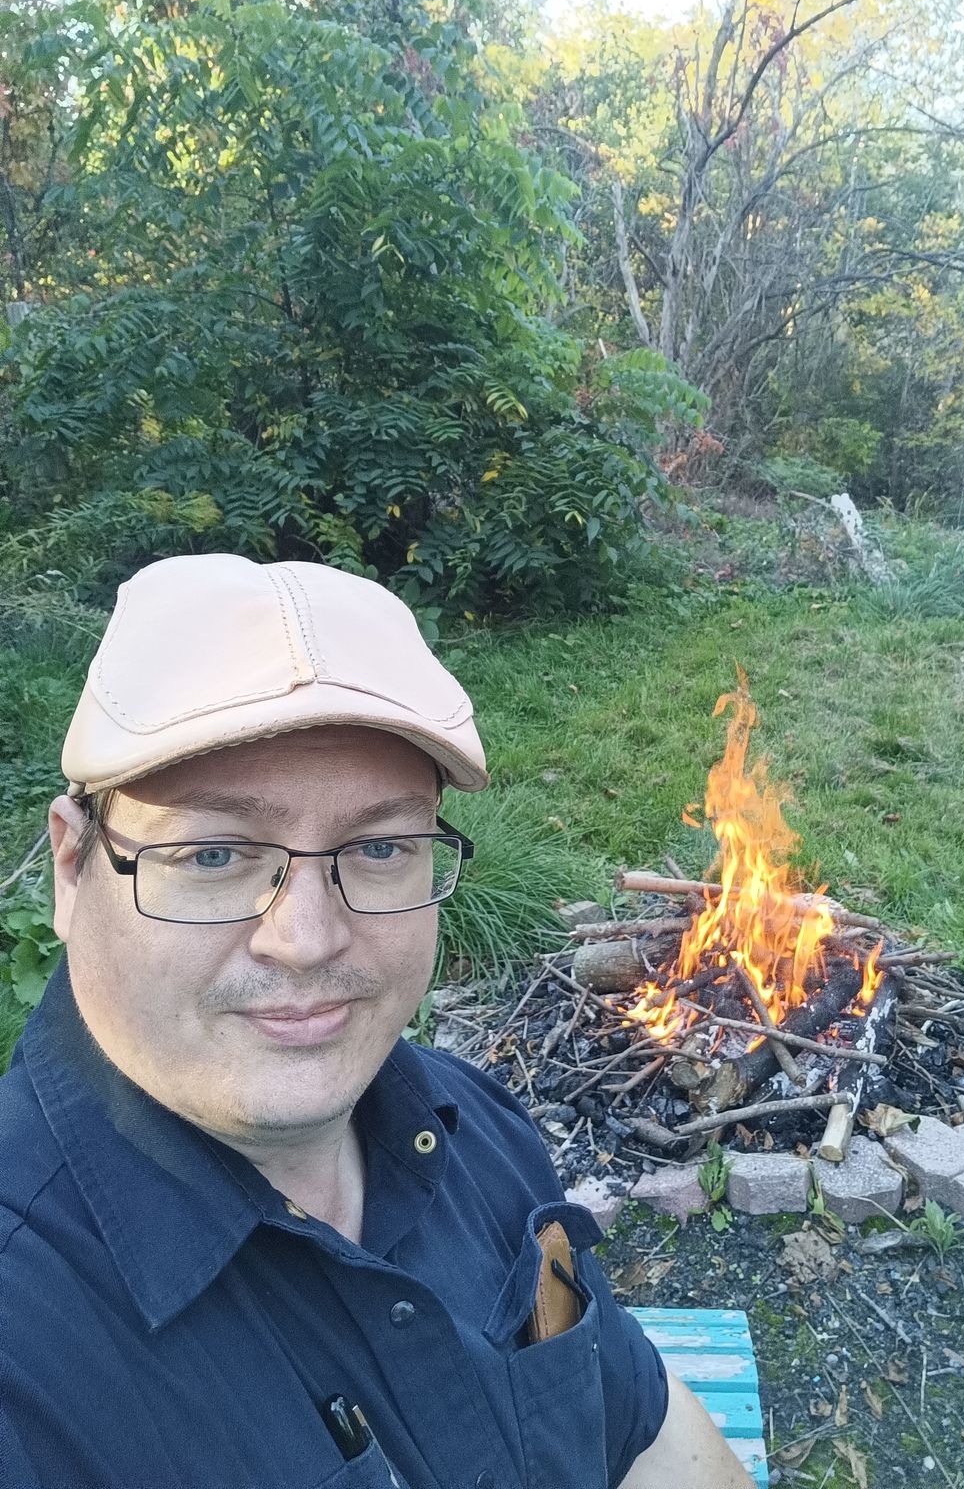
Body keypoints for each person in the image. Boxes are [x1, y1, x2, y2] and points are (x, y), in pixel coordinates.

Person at [0, 553, 752, 1489]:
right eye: (216, 853)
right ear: (73, 870)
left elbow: (640, 1430)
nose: (307, 941)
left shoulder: (470, 1124)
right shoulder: (26, 1359)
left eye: (382, 845)